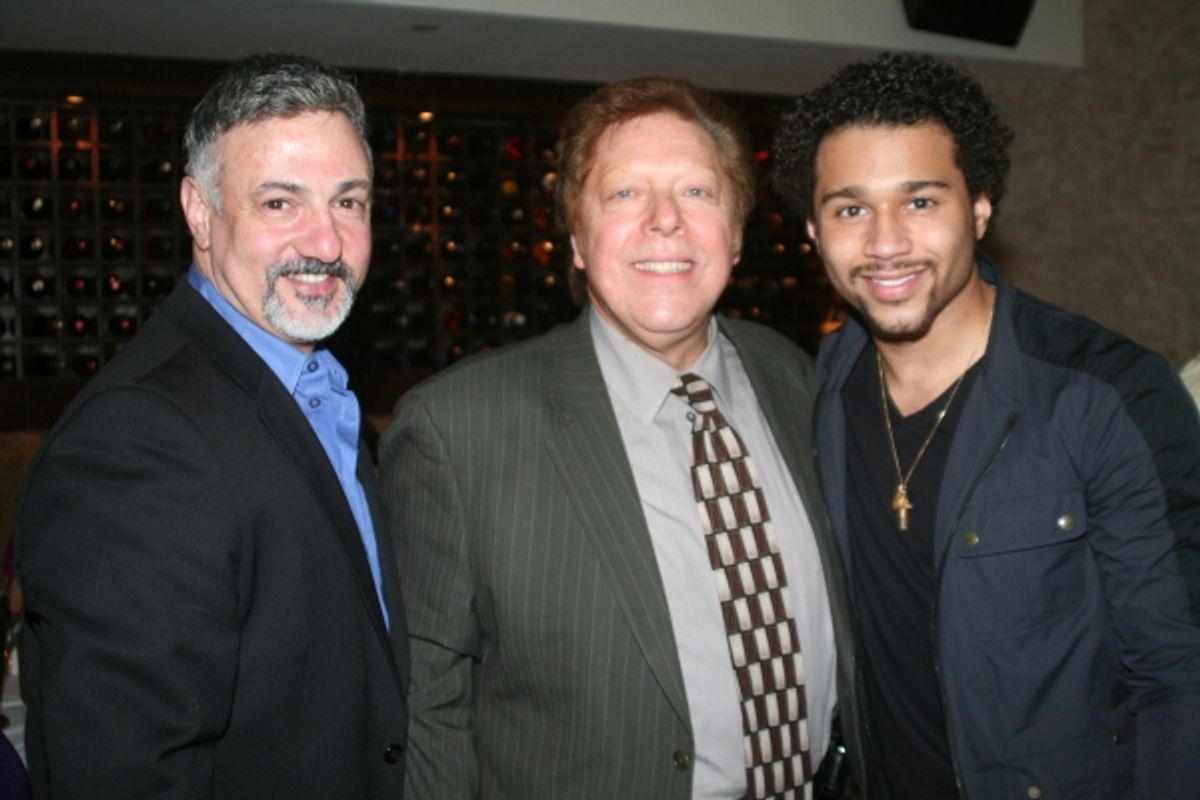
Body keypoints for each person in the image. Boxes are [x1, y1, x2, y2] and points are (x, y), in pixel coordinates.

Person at [381, 77, 866, 799]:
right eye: (624, 194)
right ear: (575, 239)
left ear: (735, 232)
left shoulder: (797, 378)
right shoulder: (459, 431)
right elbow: (428, 704)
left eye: (697, 192)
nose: (665, 221)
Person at [770, 51, 1200, 800]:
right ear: (814, 229)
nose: (884, 242)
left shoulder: (1106, 394)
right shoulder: (828, 380)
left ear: (980, 207)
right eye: (850, 209)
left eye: (922, 201)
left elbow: (1179, 673)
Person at [15, 54, 408, 798]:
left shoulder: (316, 389)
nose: (325, 243)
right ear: (199, 211)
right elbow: (123, 771)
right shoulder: (135, 440)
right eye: (280, 203)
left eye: (348, 202)